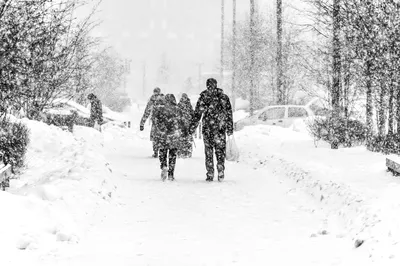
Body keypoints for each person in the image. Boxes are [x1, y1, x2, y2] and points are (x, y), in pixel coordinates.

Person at [189, 78, 233, 182]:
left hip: (208, 128)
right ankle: (221, 168)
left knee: (208, 152)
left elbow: (197, 114)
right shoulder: (223, 97)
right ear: (216, 85)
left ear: (207, 85)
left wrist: (192, 128)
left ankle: (210, 172)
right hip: (220, 128)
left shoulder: (204, 97)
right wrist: (229, 128)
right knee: (220, 151)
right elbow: (229, 114)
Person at [152, 94, 186, 181]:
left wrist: (158, 131)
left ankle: (163, 165)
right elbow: (182, 122)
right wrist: (185, 132)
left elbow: (155, 121)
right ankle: (171, 173)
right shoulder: (178, 109)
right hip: (173, 135)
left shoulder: (160, 109)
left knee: (162, 152)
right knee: (172, 155)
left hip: (162, 135)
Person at [140, 87, 162, 157]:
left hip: (155, 122)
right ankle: (162, 151)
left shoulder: (152, 100)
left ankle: (155, 151)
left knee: (155, 137)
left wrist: (142, 123)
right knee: (162, 136)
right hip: (163, 122)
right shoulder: (164, 99)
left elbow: (147, 112)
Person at [177, 93, 194, 158]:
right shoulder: (189, 105)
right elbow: (192, 114)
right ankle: (187, 151)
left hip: (181, 125)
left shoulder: (179, 105)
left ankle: (181, 151)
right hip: (187, 124)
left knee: (181, 138)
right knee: (187, 138)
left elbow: (177, 114)